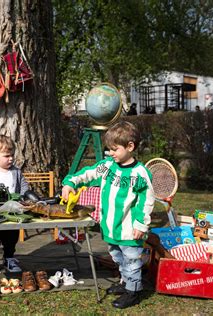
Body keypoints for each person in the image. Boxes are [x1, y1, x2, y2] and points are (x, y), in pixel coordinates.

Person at [61, 121, 154, 309]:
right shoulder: (108, 166)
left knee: (132, 260)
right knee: (117, 256)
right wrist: (70, 182)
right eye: (109, 149)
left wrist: (141, 225)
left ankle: (133, 291)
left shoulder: (140, 174)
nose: (110, 153)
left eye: (114, 149)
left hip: (129, 229)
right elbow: (87, 173)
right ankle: (125, 282)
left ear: (130, 147)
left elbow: (146, 201)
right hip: (110, 226)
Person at [0, 135, 29, 274]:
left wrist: (24, 196)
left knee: (12, 238)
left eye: (12, 155)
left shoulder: (16, 171)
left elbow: (24, 186)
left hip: (13, 211)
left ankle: (9, 258)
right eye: (7, 156)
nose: (11, 158)